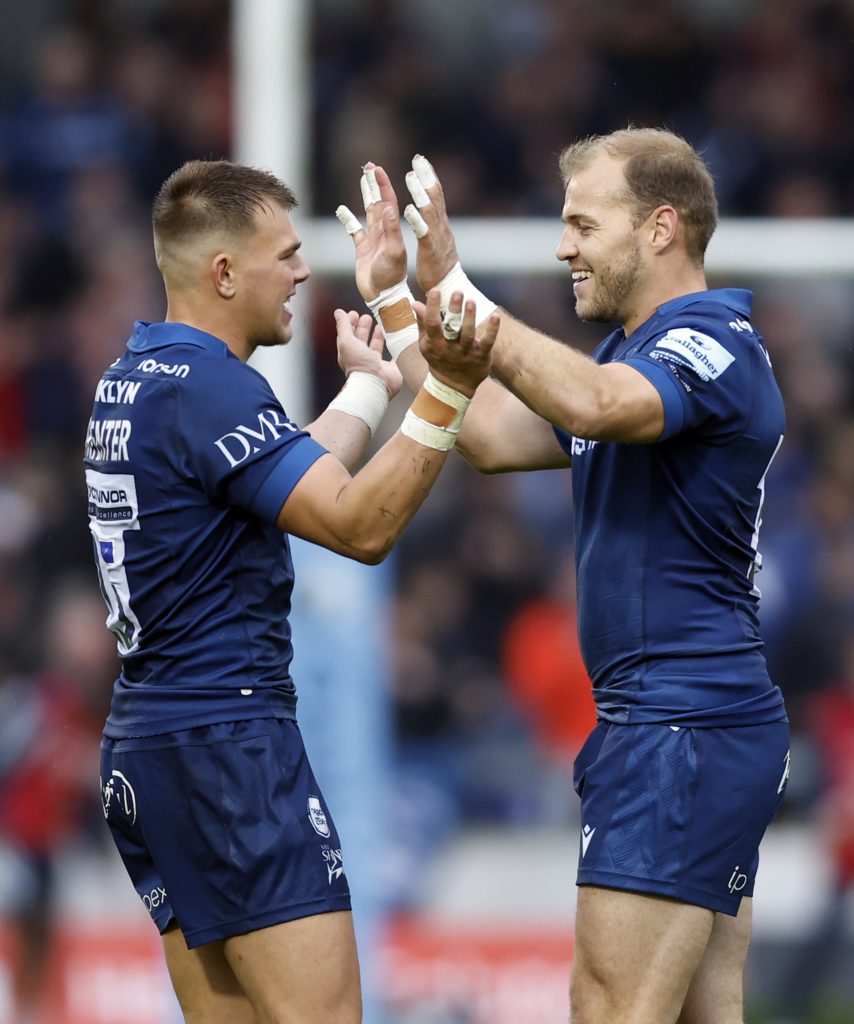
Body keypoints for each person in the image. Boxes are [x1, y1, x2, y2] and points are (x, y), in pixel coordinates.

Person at [337, 128, 790, 1024]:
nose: (562, 246)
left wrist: (465, 296)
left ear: (661, 228)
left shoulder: (711, 344)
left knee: (610, 1008)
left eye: (583, 223)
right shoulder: (640, 355)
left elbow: (590, 403)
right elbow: (492, 434)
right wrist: (399, 293)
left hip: (681, 724)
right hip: (683, 723)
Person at [85, 158, 498, 1024]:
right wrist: (449, 388)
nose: (305, 271)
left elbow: (282, 476)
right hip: (231, 749)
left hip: (148, 746)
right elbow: (357, 527)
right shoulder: (212, 389)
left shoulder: (137, 379)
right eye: (285, 254)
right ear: (224, 272)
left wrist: (369, 385)